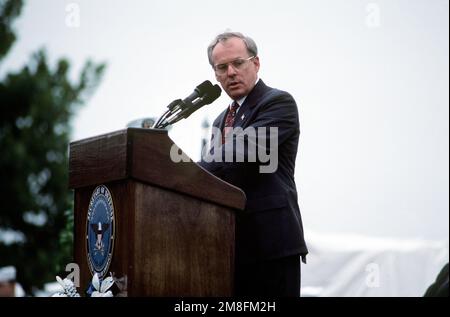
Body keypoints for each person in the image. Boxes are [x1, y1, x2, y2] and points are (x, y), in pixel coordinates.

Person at [199, 31, 308, 296]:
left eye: (238, 63)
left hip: (272, 244)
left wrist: (185, 173)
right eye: (222, 67)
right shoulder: (219, 121)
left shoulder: (277, 102)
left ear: (255, 64)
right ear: (215, 74)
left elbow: (239, 153)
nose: (231, 72)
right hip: (229, 246)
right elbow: (214, 181)